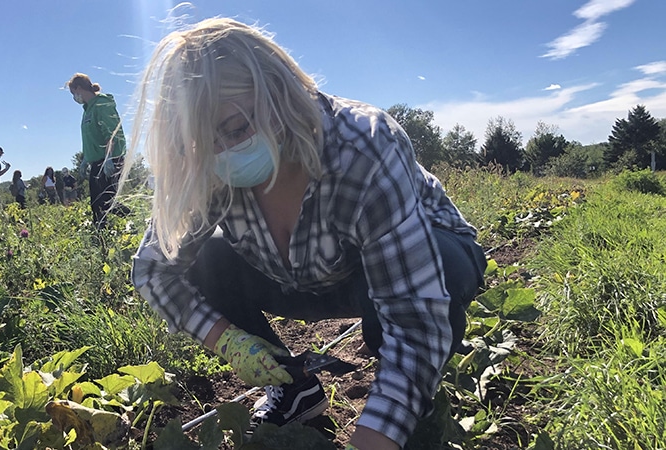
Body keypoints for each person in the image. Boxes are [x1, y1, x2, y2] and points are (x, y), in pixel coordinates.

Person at [125, 18, 487, 450]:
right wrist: (227, 340)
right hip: (309, 278)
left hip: (422, 260)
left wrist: (370, 439)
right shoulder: (210, 172)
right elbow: (153, 270)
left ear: (279, 93)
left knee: (430, 283)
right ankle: (295, 390)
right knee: (209, 262)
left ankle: (414, 410)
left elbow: (415, 320)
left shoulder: (362, 146)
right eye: (204, 144)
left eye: (237, 129)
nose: (225, 153)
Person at [66, 73, 130, 227]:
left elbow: (111, 132)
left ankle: (135, 220)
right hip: (97, 160)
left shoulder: (102, 104)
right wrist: (85, 159)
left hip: (110, 159)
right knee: (97, 203)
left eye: (73, 93)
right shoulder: (87, 109)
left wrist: (109, 157)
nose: (74, 97)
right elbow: (90, 138)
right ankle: (100, 234)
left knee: (106, 201)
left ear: (79, 88)